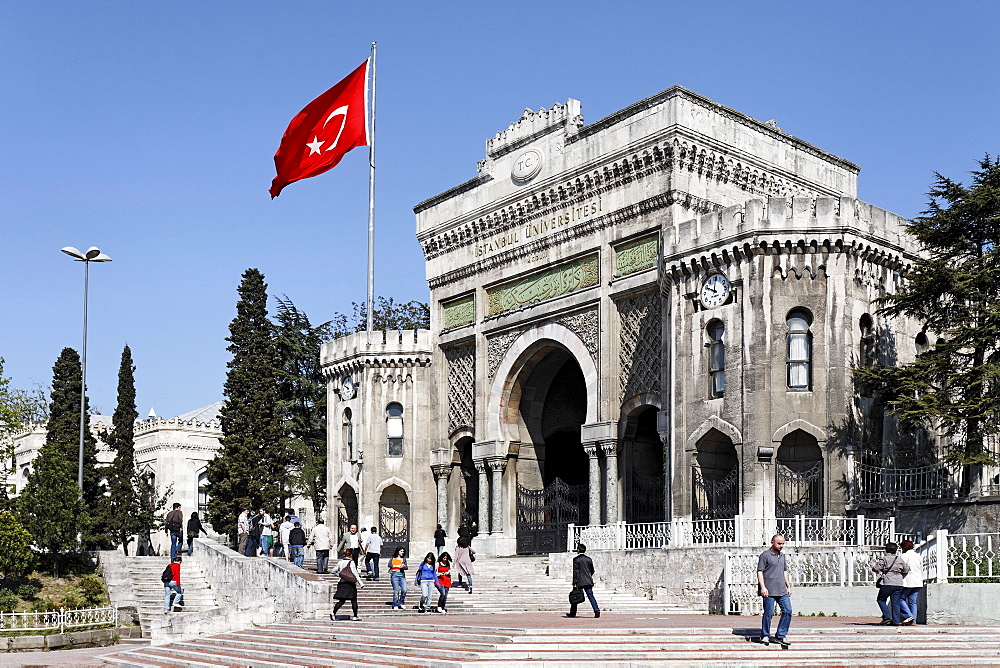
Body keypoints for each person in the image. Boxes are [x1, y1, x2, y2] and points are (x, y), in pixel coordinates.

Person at [757, 534, 792, 647]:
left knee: (788, 611)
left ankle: (781, 635)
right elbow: (760, 571)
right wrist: (763, 587)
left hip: (782, 590)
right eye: (779, 543)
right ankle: (765, 635)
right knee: (769, 613)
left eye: (782, 544)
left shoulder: (782, 556)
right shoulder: (765, 555)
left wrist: (789, 586)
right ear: (772, 542)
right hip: (769, 590)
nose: (781, 546)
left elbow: (784, 571)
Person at [872, 541, 909, 626]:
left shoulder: (884, 559)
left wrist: (873, 566)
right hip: (899, 583)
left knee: (881, 599)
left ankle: (887, 617)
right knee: (895, 603)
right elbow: (906, 569)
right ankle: (896, 621)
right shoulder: (899, 559)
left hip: (888, 582)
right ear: (896, 550)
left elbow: (877, 569)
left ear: (886, 550)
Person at [330, 548, 365, 621]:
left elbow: (333, 571)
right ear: (351, 555)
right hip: (350, 583)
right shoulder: (351, 563)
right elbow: (355, 573)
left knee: (342, 600)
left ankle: (333, 613)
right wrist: (361, 583)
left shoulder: (340, 562)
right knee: (354, 600)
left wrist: (341, 575)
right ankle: (355, 616)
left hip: (342, 583)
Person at [567, 543, 600, 618]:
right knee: (591, 596)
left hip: (579, 581)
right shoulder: (589, 559)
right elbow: (592, 570)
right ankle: (596, 610)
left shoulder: (576, 559)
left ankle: (573, 613)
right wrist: (588, 576)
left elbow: (576, 572)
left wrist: (574, 582)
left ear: (578, 550)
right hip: (588, 580)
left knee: (575, 596)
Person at [899, 539, 924, 625]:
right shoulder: (918, 556)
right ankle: (914, 621)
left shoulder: (904, 556)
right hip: (918, 581)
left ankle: (908, 616)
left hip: (908, 581)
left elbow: (901, 568)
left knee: (900, 598)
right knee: (912, 601)